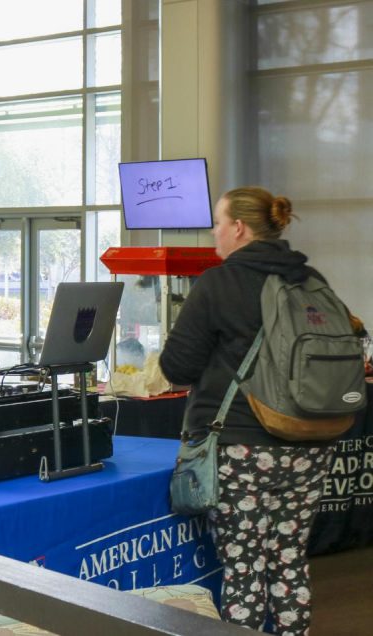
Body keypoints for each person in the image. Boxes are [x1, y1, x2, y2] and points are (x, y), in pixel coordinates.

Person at [159, 186, 339, 635]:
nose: (214, 234)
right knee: (289, 559)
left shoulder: (219, 283)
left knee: (244, 569)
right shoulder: (311, 279)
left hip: (243, 446)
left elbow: (177, 366)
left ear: (238, 228)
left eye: (217, 224)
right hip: (312, 442)